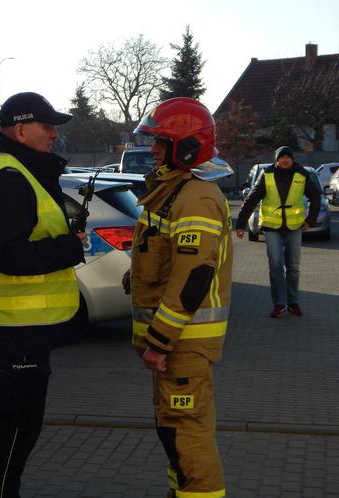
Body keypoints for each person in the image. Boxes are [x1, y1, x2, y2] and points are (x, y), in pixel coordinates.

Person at [0, 92, 87, 497]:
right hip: (16, 330)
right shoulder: (9, 178)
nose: (55, 134)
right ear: (20, 130)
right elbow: (7, 254)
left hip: (21, 329)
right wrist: (70, 248)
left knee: (7, 424)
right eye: (47, 126)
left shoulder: (20, 170)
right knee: (17, 429)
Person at [125, 97, 233, 498]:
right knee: (174, 432)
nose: (151, 149)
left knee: (187, 437)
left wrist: (159, 340)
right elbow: (165, 259)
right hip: (175, 346)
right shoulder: (173, 191)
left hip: (181, 345)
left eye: (159, 142)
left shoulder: (195, 197)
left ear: (185, 147)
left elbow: (194, 277)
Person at [235, 146, 320, 318]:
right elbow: (252, 198)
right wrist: (241, 223)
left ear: (292, 159)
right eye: (282, 157)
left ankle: (293, 302)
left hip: (294, 227)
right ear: (277, 159)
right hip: (272, 227)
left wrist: (310, 220)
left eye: (288, 157)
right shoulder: (267, 174)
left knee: (293, 267)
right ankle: (279, 304)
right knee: (275, 266)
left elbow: (315, 197)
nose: (285, 160)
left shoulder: (301, 173)